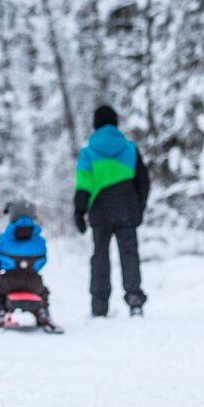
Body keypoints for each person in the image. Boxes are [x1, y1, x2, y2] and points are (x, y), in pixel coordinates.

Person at [75, 104, 150, 317]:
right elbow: (143, 182)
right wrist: (139, 207)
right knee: (129, 255)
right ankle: (134, 298)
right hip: (127, 210)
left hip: (99, 211)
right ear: (116, 123)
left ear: (95, 125)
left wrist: (79, 212)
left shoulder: (88, 153)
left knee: (100, 257)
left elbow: (83, 185)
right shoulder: (129, 149)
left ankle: (99, 306)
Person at [0, 199, 56, 330]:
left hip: (8, 282)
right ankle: (41, 311)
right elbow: (42, 261)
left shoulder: (4, 238)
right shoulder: (39, 240)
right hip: (33, 281)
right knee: (43, 292)